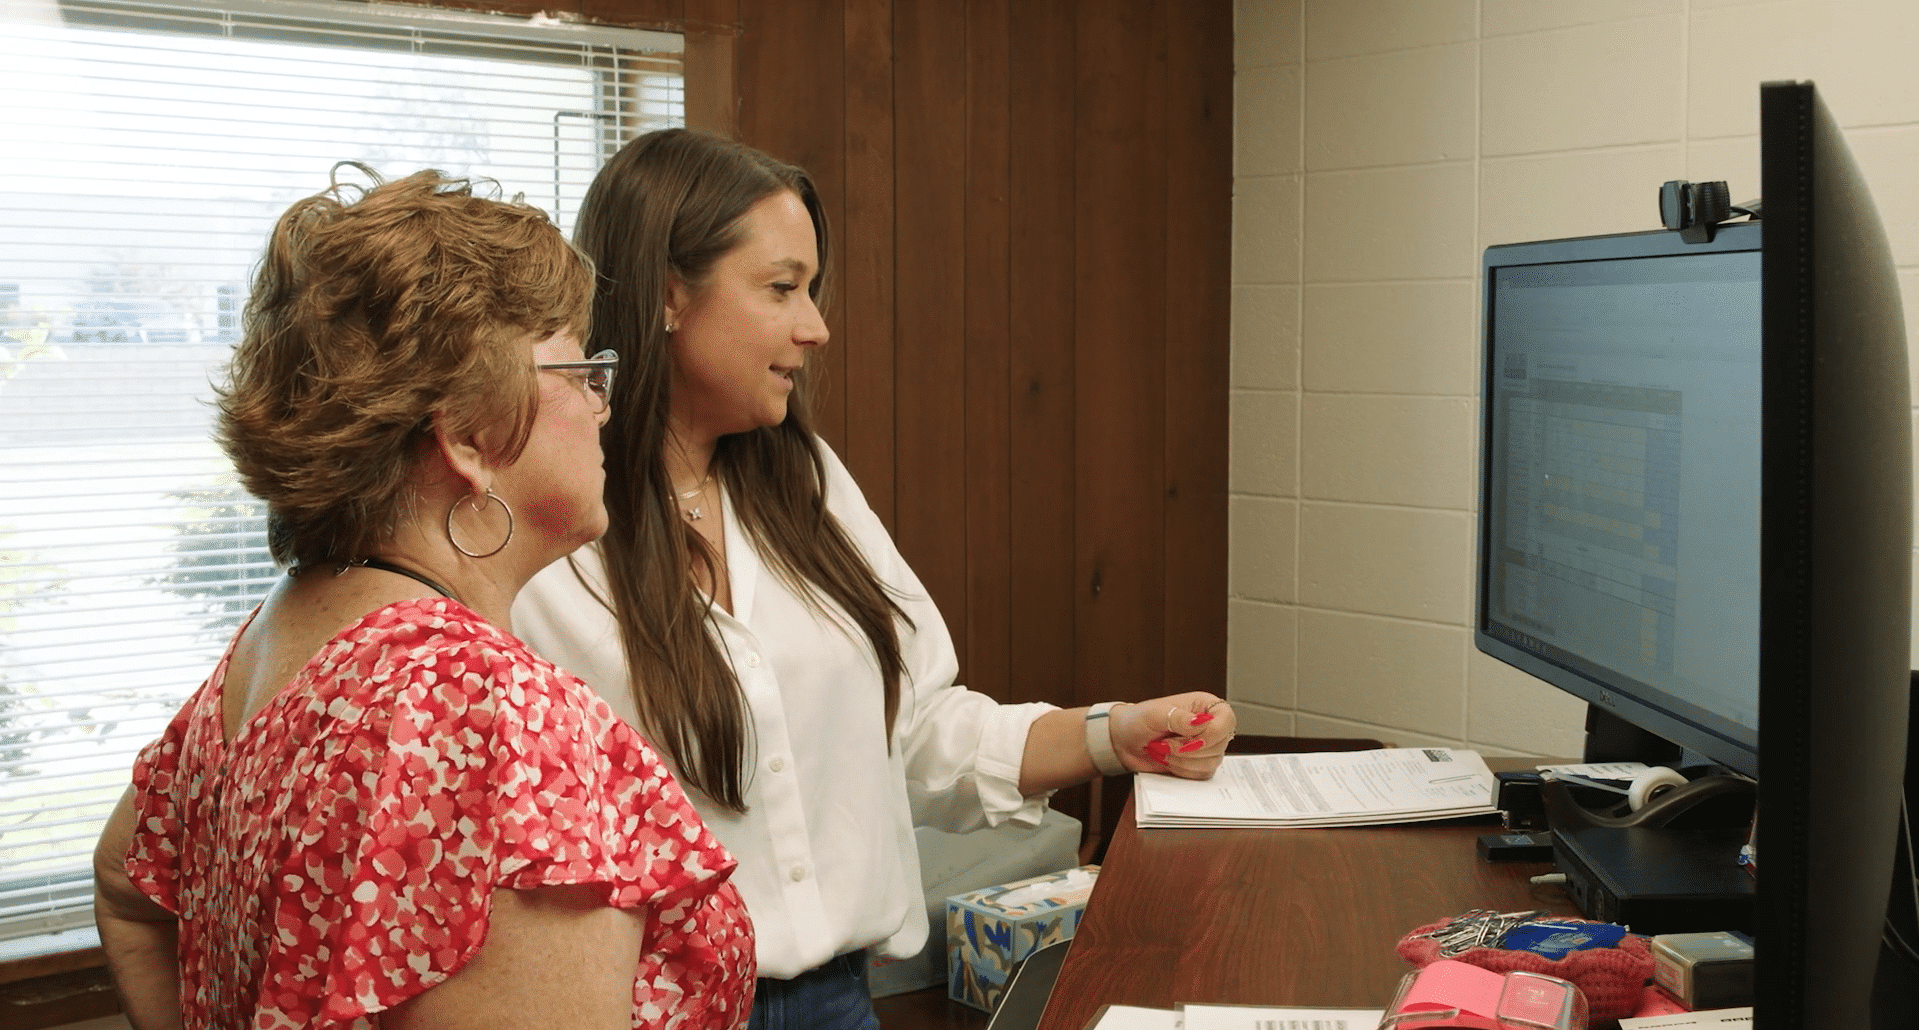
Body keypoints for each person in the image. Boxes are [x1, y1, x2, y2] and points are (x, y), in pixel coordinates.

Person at [512, 128, 1236, 1030]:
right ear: (667, 293)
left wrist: (1111, 736)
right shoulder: (542, 523)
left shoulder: (802, 479)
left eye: (811, 289)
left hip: (838, 1001)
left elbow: (918, 728)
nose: (814, 326)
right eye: (781, 289)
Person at [91, 167, 754, 1030]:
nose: (603, 407)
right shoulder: (492, 712)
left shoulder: (270, 647)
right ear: (474, 435)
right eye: (581, 370)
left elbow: (124, 888)